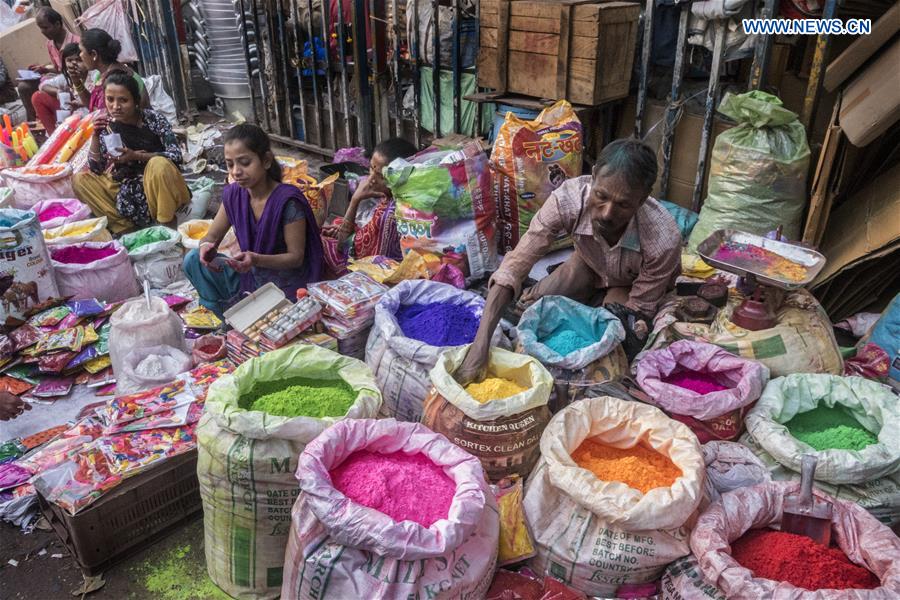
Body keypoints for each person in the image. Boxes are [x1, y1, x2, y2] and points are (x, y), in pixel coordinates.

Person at [457, 138, 683, 382]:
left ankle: (597, 303)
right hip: (589, 263)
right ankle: (586, 297)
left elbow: (638, 308)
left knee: (612, 334)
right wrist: (479, 348)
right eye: (601, 195)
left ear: (643, 198)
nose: (607, 213)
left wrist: (616, 319)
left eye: (623, 205)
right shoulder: (567, 200)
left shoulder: (662, 239)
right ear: (593, 176)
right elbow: (514, 266)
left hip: (629, 284)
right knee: (529, 308)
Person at [183, 124, 325, 317]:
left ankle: (240, 314)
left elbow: (296, 257)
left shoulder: (287, 201)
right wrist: (205, 246)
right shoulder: (234, 195)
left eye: (244, 163)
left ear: (266, 161)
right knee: (193, 260)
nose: (236, 172)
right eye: (230, 164)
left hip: (284, 285)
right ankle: (221, 317)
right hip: (248, 277)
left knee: (276, 320)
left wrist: (256, 259)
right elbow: (212, 236)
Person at [72, 71, 189, 233]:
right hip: (128, 190)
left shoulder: (153, 119)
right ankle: (125, 229)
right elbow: (96, 169)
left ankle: (166, 226)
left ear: (136, 101)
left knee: (159, 164)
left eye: (123, 100)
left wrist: (137, 156)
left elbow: (176, 156)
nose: (115, 107)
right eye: (110, 99)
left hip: (159, 188)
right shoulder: (107, 126)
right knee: (80, 180)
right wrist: (95, 136)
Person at [322, 137, 417, 260]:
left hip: (379, 267)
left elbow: (343, 247)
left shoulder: (388, 214)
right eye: (372, 168)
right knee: (338, 223)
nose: (371, 179)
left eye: (381, 176)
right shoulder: (406, 196)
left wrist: (355, 199)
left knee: (320, 244)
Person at [16, 7, 80, 123]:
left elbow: (82, 71)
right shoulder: (50, 44)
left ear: (57, 24)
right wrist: (44, 69)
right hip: (60, 78)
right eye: (40, 28)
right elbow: (58, 69)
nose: (42, 31)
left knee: (41, 90)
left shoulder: (76, 43)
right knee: (23, 87)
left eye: (45, 27)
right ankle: (34, 121)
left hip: (73, 81)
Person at [76, 28, 149, 112]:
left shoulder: (117, 79)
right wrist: (76, 81)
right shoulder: (101, 75)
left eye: (81, 51)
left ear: (94, 54)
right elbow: (94, 106)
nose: (80, 55)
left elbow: (109, 114)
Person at [31, 43, 87, 133]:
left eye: (78, 60)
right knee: (37, 96)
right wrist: (57, 91)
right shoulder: (67, 77)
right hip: (74, 114)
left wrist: (80, 104)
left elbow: (96, 103)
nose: (74, 64)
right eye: (69, 60)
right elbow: (43, 85)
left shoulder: (94, 76)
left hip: (89, 115)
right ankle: (53, 134)